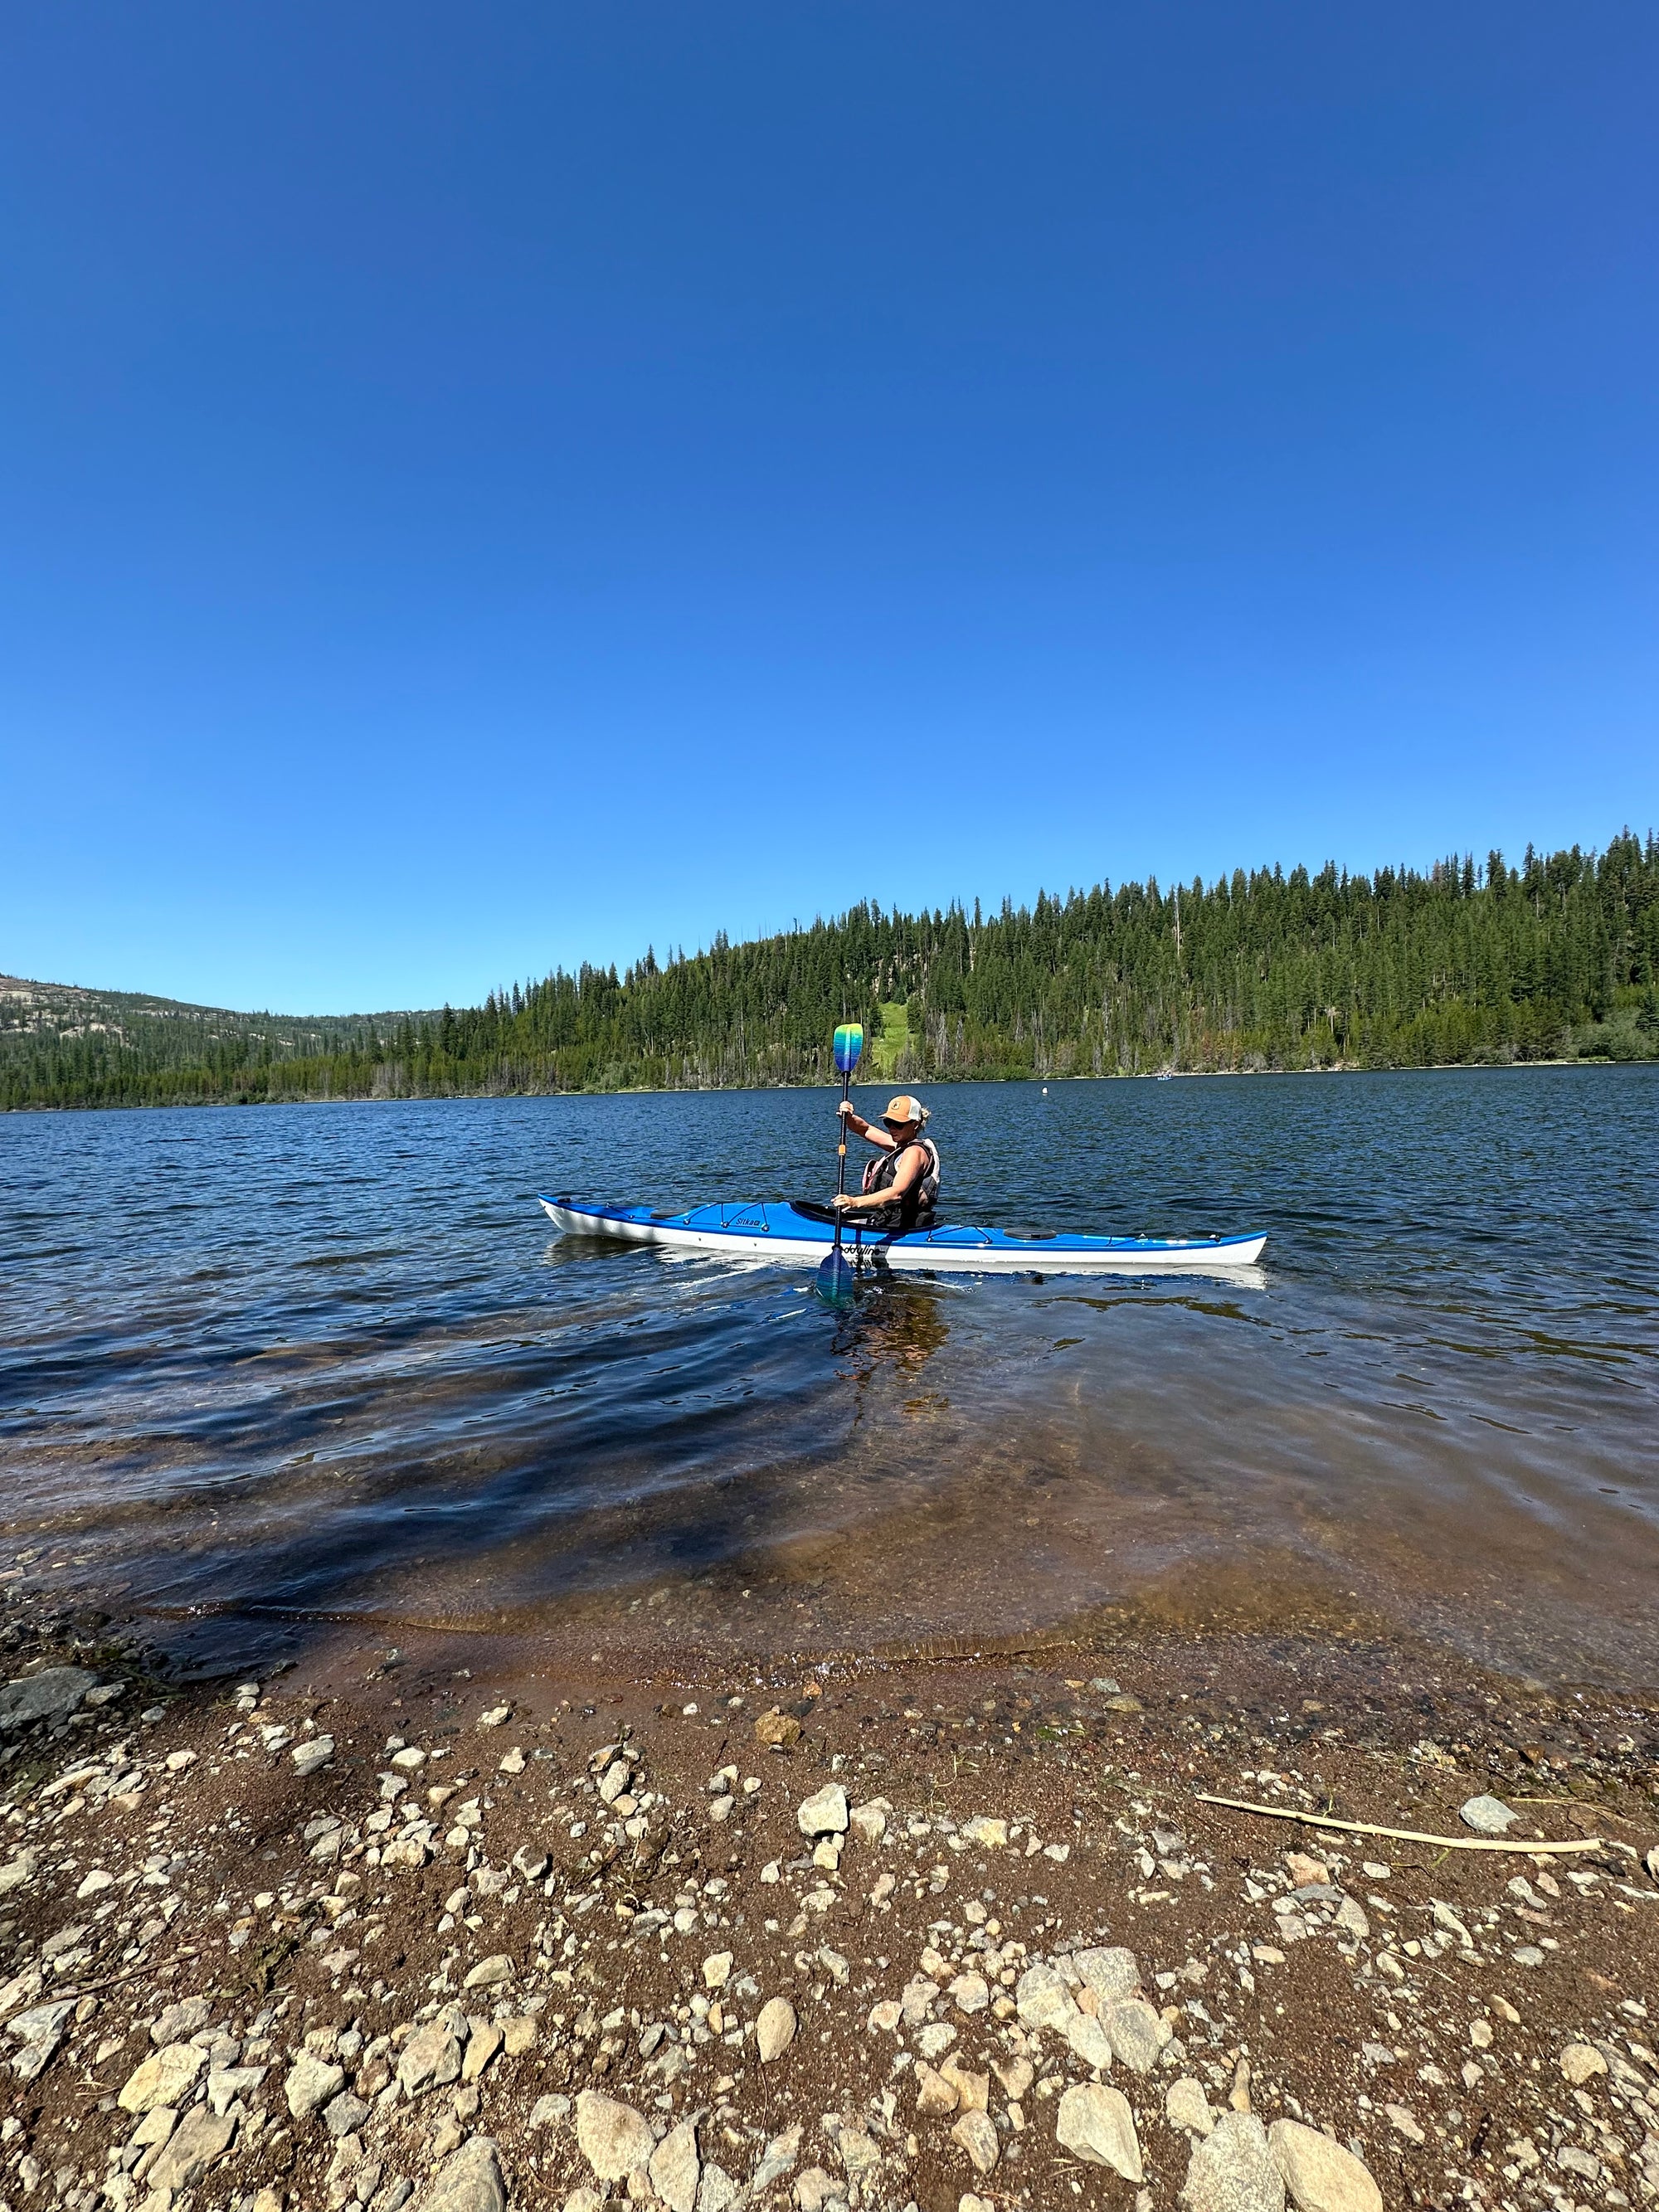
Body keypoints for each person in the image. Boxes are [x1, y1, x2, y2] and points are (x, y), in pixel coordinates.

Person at [831, 1094, 942, 1232]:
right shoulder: (902, 1144)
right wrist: (848, 1117)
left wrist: (855, 1202)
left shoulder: (915, 1152)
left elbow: (897, 1193)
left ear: (915, 1124)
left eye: (898, 1124)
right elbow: (866, 1130)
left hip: (905, 1227)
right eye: (888, 1122)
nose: (892, 1128)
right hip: (887, 1221)